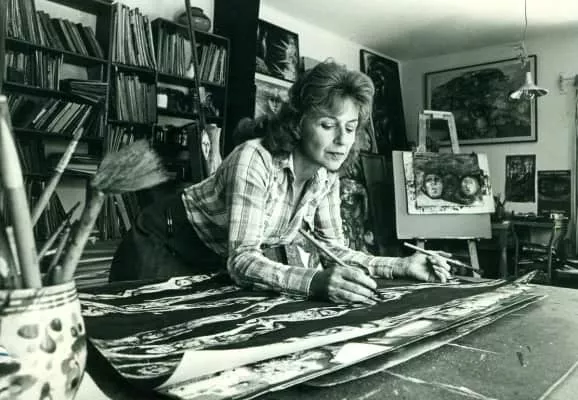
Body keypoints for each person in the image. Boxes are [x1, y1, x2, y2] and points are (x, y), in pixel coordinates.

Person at [109, 61, 451, 304]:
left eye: (349, 128)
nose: (342, 140)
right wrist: (314, 282)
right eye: (328, 125)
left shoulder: (326, 175)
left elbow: (334, 252)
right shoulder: (254, 158)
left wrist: (402, 265)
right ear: (299, 122)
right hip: (161, 242)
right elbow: (243, 259)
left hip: (213, 257)